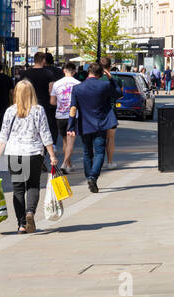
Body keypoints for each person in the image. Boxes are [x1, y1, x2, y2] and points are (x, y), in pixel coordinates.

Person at [0, 80, 58, 234]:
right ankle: (30, 213)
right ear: (32, 93)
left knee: (18, 189)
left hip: (14, 153)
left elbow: (2, 136)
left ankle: (22, 224)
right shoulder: (38, 110)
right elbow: (45, 133)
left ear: (16, 93)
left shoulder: (10, 111)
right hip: (33, 153)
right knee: (33, 185)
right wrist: (52, 154)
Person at [70, 63, 120, 193]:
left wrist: (70, 126)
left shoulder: (77, 88)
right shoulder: (104, 85)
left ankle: (89, 177)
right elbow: (118, 94)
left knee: (87, 153)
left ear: (88, 72)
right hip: (100, 123)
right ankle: (93, 177)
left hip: (84, 124)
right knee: (99, 152)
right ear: (101, 74)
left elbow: (73, 108)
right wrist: (111, 78)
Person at [24, 52, 61, 149]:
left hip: (29, 102)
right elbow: (51, 89)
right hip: (45, 102)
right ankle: (50, 144)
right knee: (48, 123)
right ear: (43, 60)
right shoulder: (48, 73)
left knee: (31, 123)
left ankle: (32, 141)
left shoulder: (26, 73)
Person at [51, 62, 80, 175]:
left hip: (60, 115)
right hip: (72, 115)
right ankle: (64, 164)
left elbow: (52, 102)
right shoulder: (78, 83)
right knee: (71, 142)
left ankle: (69, 164)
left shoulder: (57, 84)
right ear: (74, 72)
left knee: (64, 141)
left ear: (64, 70)